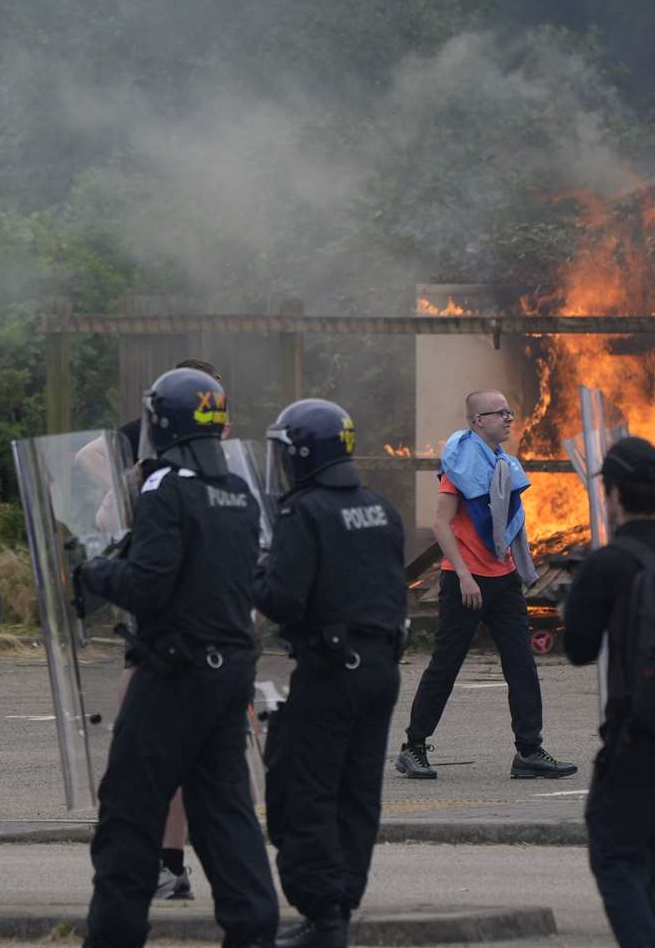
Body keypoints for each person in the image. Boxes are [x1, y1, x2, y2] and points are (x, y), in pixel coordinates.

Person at [76, 367, 278, 948]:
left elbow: (149, 586)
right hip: (229, 670)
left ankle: (113, 935)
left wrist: (94, 569)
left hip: (174, 670)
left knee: (128, 809)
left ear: (162, 425)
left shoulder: (165, 487)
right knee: (226, 811)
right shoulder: (237, 492)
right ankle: (253, 930)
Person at [256, 399, 405, 948]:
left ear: (301, 453)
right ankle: (340, 904)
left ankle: (321, 914)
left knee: (306, 791)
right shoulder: (381, 507)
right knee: (358, 793)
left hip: (329, 672)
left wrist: (252, 572)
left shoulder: (306, 512)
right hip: (381, 668)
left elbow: (283, 600)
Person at [564, 436, 655, 948]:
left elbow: (579, 649)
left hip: (638, 730)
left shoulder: (608, 563)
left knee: (614, 852)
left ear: (612, 494)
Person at [397, 389, 576, 782]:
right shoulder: (460, 464)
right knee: (445, 665)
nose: (509, 419)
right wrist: (462, 573)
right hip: (465, 582)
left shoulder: (502, 463)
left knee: (522, 666)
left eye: (510, 412)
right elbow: (442, 525)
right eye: (501, 413)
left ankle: (528, 751)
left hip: (502, 580)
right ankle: (413, 746)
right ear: (479, 421)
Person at [113, 357, 219, 900]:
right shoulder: (227, 470)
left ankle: (158, 865)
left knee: (147, 759)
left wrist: (101, 572)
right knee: (209, 766)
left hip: (165, 641)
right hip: (219, 642)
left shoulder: (160, 480)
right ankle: (173, 864)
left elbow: (141, 572)